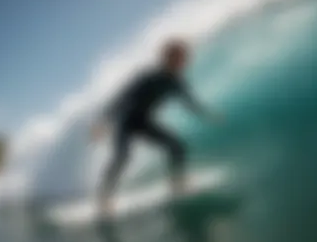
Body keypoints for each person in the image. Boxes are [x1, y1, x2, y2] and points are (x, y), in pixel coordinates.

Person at [91, 39, 221, 215]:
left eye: (185, 58)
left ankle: (177, 184)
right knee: (122, 157)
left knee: (177, 147)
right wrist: (104, 122)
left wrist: (207, 115)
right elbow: (122, 97)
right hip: (126, 120)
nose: (185, 62)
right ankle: (104, 198)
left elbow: (190, 103)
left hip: (144, 122)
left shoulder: (176, 83)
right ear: (168, 58)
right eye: (181, 58)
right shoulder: (149, 76)